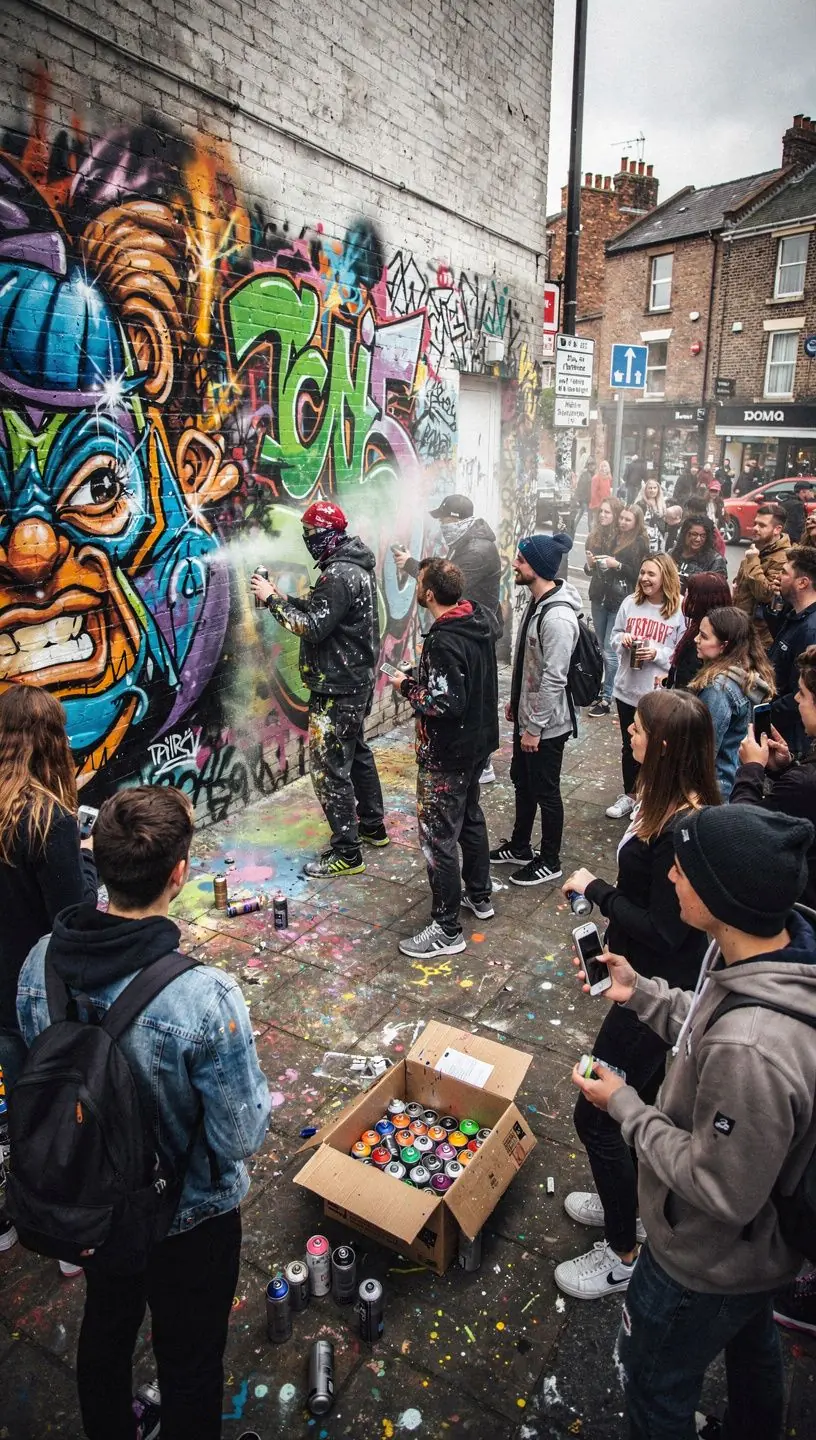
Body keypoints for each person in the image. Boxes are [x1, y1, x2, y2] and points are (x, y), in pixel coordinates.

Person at [16, 785, 271, 1440]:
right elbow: (240, 1135)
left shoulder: (40, 963)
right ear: (179, 876)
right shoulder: (204, 997)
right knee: (190, 1362)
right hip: (191, 1219)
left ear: (97, 860)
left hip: (93, 1201)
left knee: (107, 1325)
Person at [575, 805, 816, 1439]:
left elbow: (719, 1188)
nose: (672, 878)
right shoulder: (762, 955)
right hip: (755, 1258)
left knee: (651, 1379)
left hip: (703, 1258)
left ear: (718, 894)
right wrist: (644, 991)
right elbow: (711, 1021)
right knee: (751, 1340)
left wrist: (624, 1105)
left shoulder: (752, 1050)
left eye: (683, 869)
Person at [556, 689, 719, 1301]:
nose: (628, 730)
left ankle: (623, 1254)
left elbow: (666, 929)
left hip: (654, 997)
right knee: (640, 1101)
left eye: (640, 727)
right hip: (639, 983)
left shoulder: (683, 827)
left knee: (596, 1112)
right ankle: (623, 1196)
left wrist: (596, 890)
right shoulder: (666, 803)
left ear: (667, 744)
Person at [252, 500, 387, 877]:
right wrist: (283, 596)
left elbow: (311, 627)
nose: (308, 541)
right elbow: (323, 612)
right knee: (357, 752)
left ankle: (348, 851)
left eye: (311, 535)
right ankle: (372, 826)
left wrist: (272, 600)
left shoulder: (339, 574)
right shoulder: (350, 567)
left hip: (337, 687)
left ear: (329, 534)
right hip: (353, 681)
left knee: (329, 770)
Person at [384, 559, 498, 959]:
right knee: (469, 817)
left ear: (429, 594)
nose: (416, 587)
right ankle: (480, 896)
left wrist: (407, 686)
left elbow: (445, 701)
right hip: (476, 745)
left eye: (419, 583)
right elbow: (461, 678)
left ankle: (447, 928)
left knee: (437, 839)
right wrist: (425, 675)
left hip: (447, 754)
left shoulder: (443, 638)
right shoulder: (477, 620)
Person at [0, 687, 97, 1093]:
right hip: (34, 990)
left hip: (2, 993)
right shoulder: (48, 819)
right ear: (49, 741)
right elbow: (73, 916)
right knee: (54, 1100)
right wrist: (87, 857)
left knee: (24, 1097)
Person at [489, 532, 580, 886]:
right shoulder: (536, 600)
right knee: (523, 783)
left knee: (546, 790)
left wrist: (535, 728)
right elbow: (530, 663)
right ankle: (520, 846)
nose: (515, 564)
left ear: (538, 568)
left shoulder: (557, 618)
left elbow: (554, 679)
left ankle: (551, 859)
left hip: (547, 725)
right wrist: (516, 703)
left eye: (522, 561)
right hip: (528, 716)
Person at [394, 492, 502, 785]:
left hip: (475, 627)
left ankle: (481, 761)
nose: (441, 525)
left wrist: (412, 565)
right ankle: (479, 757)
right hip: (474, 625)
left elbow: (449, 582)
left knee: (472, 693)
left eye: (443, 519)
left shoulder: (476, 549)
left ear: (456, 520)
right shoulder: (468, 541)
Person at [730, 644, 816, 909]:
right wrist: (784, 769)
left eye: (802, 693)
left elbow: (745, 828)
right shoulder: (802, 780)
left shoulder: (805, 782)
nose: (797, 700)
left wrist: (751, 768)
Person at [606, 555, 685, 820]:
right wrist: (623, 640)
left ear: (665, 577)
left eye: (651, 574)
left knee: (656, 748)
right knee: (630, 745)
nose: (644, 578)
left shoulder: (678, 611)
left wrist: (657, 653)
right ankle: (630, 794)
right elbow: (614, 636)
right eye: (642, 573)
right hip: (627, 687)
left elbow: (681, 652)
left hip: (657, 693)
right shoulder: (630, 603)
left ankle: (650, 797)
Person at [688, 607, 774, 797]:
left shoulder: (718, 689)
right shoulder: (747, 678)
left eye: (703, 636)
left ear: (724, 645)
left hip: (715, 791)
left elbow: (703, 752)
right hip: (735, 784)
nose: (696, 639)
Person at [585, 501, 648, 718]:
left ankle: (606, 697)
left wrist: (617, 565)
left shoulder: (639, 543)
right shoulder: (613, 537)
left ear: (637, 522)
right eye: (621, 518)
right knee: (602, 648)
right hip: (600, 596)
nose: (622, 522)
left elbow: (639, 574)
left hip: (620, 601)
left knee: (610, 651)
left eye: (627, 519)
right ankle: (605, 687)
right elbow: (594, 569)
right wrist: (593, 563)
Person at [768, 545, 816, 754]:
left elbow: (800, 692)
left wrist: (764, 712)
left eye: (785, 572)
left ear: (803, 582)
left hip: (792, 738)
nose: (779, 577)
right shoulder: (796, 614)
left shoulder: (811, 629)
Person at [732, 502, 790, 649]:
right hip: (740, 627)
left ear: (777, 529)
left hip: (760, 638)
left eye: (762, 525)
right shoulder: (757, 547)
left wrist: (752, 560)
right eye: (755, 523)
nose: (755, 528)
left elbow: (766, 594)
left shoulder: (783, 557)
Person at [664, 572, 733, 691]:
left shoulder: (704, 640)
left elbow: (689, 682)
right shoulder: (698, 628)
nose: (685, 597)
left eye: (690, 594)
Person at [670, 515, 728, 589]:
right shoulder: (673, 553)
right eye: (694, 534)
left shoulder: (715, 561)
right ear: (684, 534)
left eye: (703, 536)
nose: (698, 539)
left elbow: (717, 592)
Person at [634, 478, 667, 553]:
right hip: (643, 538)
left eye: (655, 488)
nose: (652, 490)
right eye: (650, 488)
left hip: (658, 538)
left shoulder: (662, 504)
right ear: (645, 489)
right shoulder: (640, 504)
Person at [783, 480, 815, 544]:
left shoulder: (789, 500)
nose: (812, 493)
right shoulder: (797, 505)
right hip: (792, 541)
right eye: (810, 491)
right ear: (803, 492)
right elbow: (799, 527)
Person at [589, 461, 614, 526]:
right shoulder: (596, 478)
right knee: (597, 523)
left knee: (604, 523)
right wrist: (597, 505)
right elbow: (593, 493)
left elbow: (608, 491)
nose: (603, 468)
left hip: (606, 504)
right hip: (597, 504)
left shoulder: (609, 478)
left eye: (605, 466)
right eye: (602, 466)